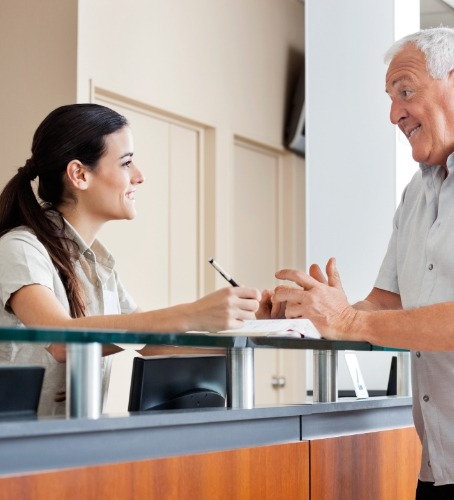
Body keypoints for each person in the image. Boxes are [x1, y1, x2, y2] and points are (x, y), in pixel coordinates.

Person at [272, 27, 454, 499]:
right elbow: (381, 306)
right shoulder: (419, 191)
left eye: (405, 92)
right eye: (391, 99)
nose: (394, 114)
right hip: (444, 462)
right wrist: (313, 312)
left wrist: (347, 321)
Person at [0, 103, 261, 416]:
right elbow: (62, 341)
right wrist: (191, 314)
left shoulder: (100, 265)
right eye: (126, 163)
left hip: (69, 446)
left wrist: (255, 327)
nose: (139, 176)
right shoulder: (20, 249)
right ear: (79, 174)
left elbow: (151, 344)